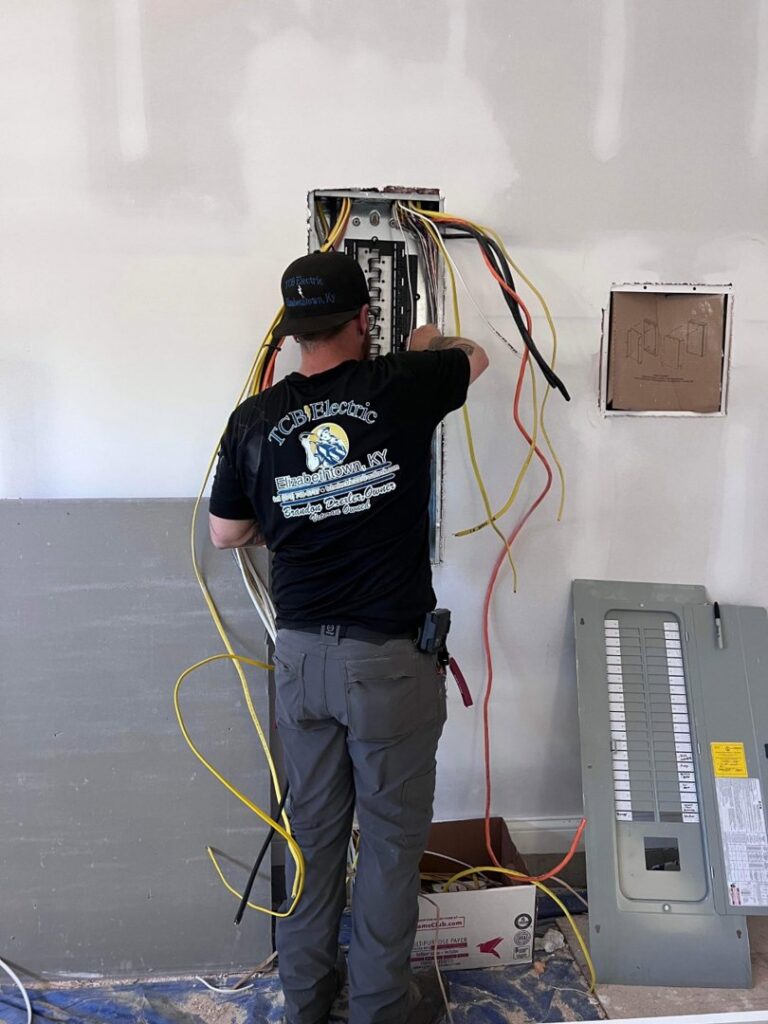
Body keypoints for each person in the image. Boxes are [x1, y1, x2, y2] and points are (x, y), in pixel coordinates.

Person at [209, 250, 488, 1024]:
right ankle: (376, 1008)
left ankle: (305, 1000)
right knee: (391, 847)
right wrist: (426, 339)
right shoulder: (401, 384)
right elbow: (477, 357)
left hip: (301, 661)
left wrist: (304, 507)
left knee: (314, 839)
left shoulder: (254, 420)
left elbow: (225, 531)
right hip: (389, 666)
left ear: (294, 332)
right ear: (364, 320)